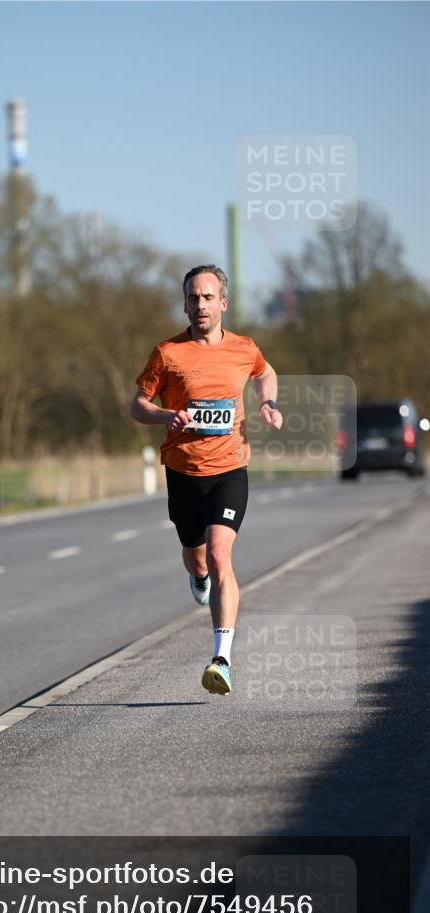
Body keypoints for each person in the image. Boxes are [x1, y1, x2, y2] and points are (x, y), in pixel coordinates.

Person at [130, 264, 283, 695]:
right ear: (184, 305)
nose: (201, 304)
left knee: (219, 557)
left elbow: (265, 372)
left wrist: (268, 403)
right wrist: (164, 415)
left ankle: (222, 660)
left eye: (208, 297)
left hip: (230, 469)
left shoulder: (243, 348)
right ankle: (196, 576)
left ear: (223, 303)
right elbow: (137, 404)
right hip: (183, 472)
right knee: (197, 558)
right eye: (193, 297)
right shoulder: (167, 354)